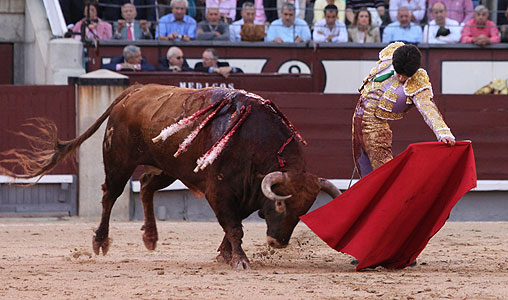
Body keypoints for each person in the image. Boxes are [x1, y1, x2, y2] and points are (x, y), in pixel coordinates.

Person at [352, 42, 455, 178]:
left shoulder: (418, 80)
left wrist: (443, 133)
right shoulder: (391, 54)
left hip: (376, 127)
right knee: (364, 171)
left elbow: (428, 108)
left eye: (405, 75)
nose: (401, 78)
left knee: (384, 174)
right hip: (357, 119)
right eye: (399, 73)